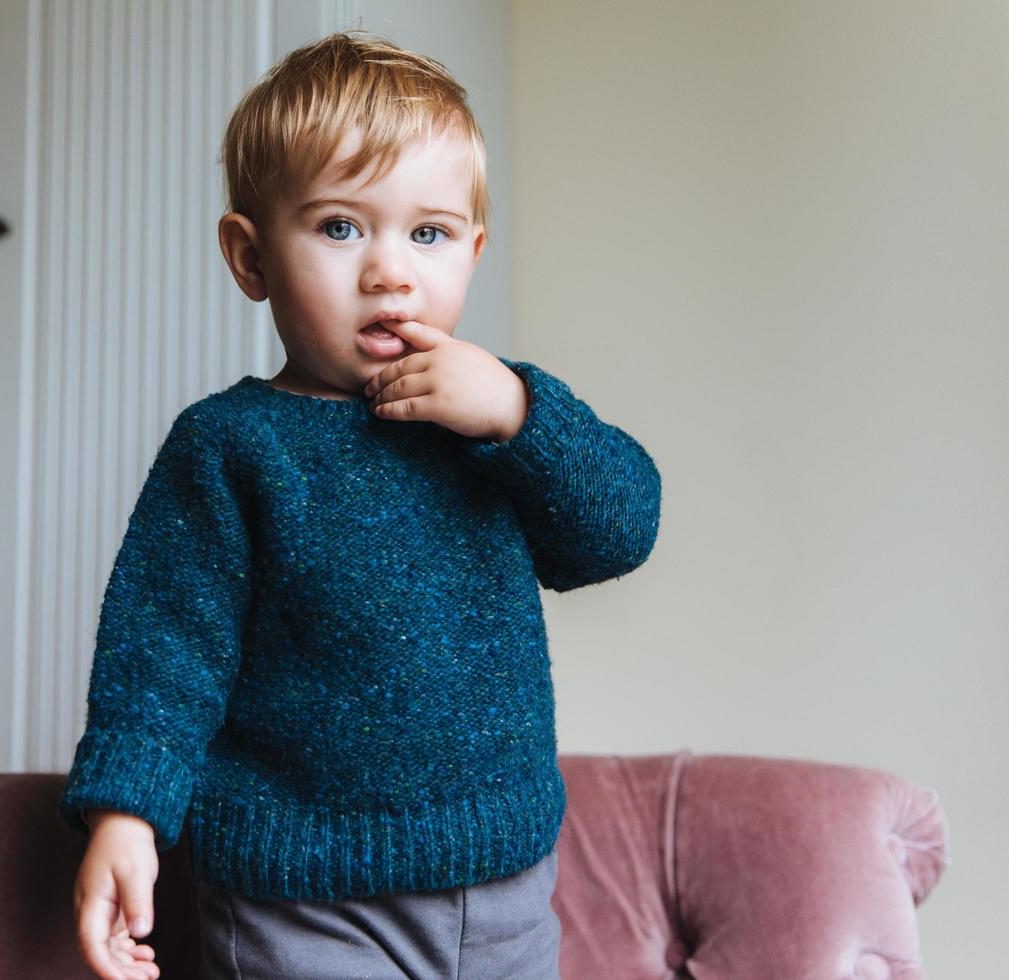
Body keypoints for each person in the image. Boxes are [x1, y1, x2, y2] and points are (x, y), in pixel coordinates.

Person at [57, 29, 662, 980]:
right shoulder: (232, 446)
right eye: (341, 227)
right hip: (303, 901)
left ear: (473, 250)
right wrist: (124, 814)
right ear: (250, 257)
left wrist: (515, 412)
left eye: (428, 233)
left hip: (505, 885)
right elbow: (164, 652)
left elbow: (618, 533)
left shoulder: (498, 415)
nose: (390, 270)